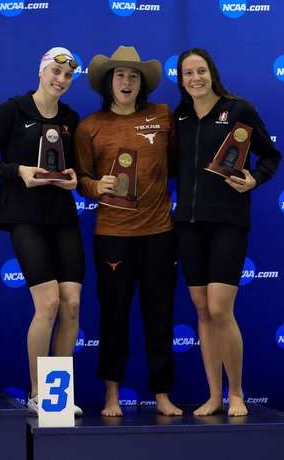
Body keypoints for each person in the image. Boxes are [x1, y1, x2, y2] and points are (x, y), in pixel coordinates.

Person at [0, 47, 84, 415]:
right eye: (55, 72)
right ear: (41, 71)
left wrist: (74, 180)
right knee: (48, 303)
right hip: (24, 217)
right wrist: (18, 171)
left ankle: (60, 396)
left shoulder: (71, 118)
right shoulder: (13, 110)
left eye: (67, 76)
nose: (61, 80)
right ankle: (40, 394)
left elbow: (77, 170)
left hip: (63, 218)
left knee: (72, 305)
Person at [75, 46, 182, 417]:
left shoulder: (163, 116)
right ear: (108, 82)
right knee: (114, 315)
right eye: (120, 75)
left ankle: (163, 394)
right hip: (112, 234)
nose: (126, 81)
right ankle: (111, 395)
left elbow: (183, 162)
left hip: (159, 233)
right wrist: (95, 187)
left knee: (160, 315)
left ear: (142, 83)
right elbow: (81, 180)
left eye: (133, 76)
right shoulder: (89, 126)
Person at [173, 48, 280, 417]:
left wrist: (255, 178)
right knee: (202, 310)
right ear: (181, 80)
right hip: (187, 224)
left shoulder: (239, 110)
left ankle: (236, 393)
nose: (195, 78)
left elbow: (270, 155)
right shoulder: (180, 117)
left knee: (220, 309)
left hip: (228, 222)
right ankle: (213, 395)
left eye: (200, 70)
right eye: (188, 73)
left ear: (211, 73)